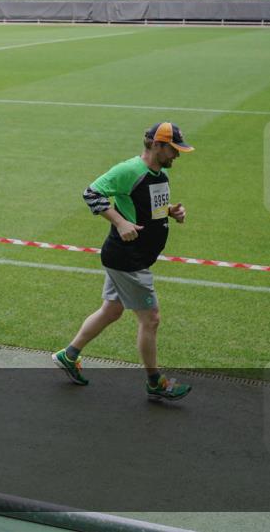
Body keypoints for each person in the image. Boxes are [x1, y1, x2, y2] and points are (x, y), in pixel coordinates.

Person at [53, 123, 194, 401]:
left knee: (111, 311)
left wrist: (170, 211)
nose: (177, 155)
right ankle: (155, 381)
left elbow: (148, 207)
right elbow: (91, 193)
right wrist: (119, 222)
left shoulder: (160, 173)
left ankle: (69, 356)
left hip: (134, 256)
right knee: (151, 319)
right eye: (173, 150)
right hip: (128, 259)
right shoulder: (129, 170)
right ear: (157, 146)